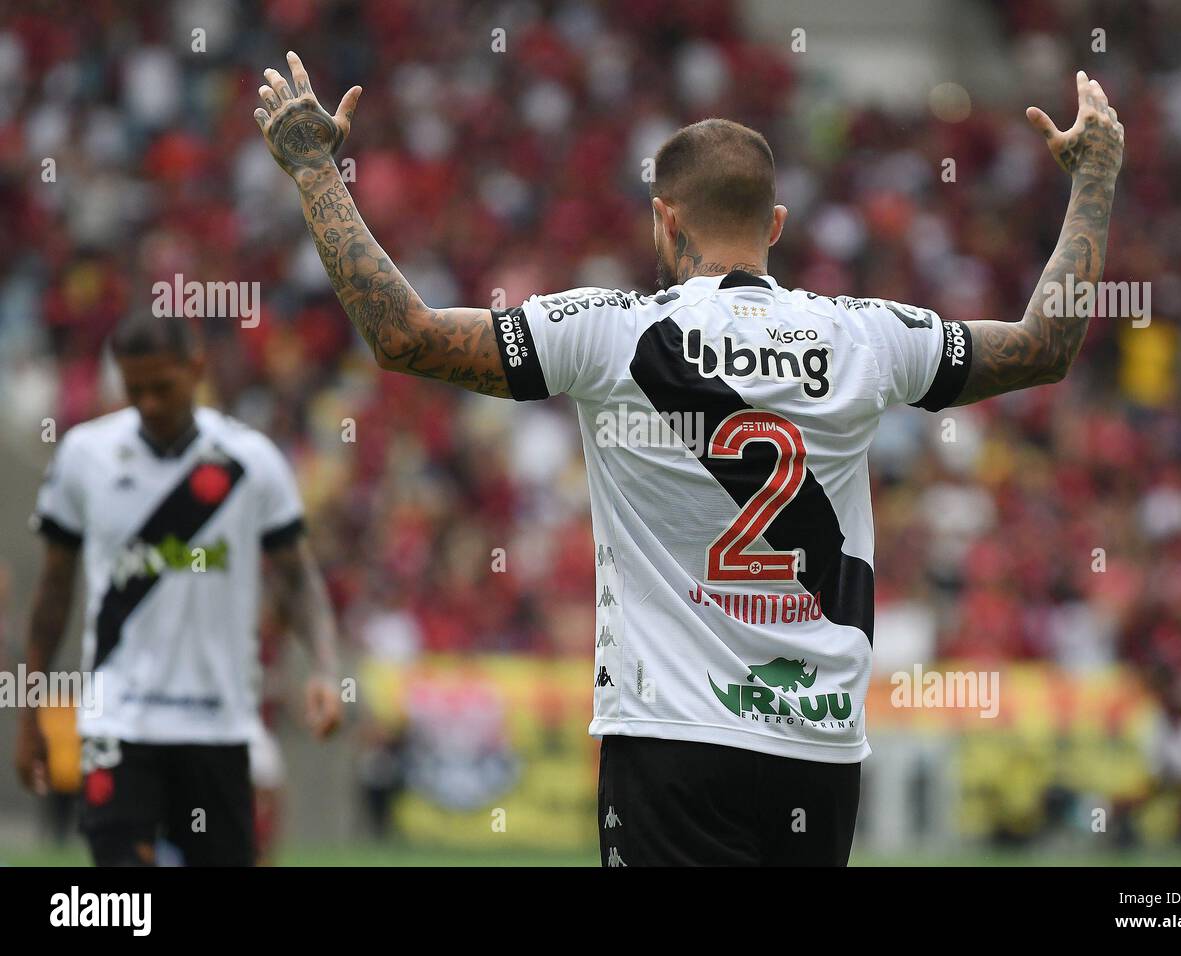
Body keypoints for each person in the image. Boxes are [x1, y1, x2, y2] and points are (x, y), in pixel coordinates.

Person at [251, 53, 1122, 865]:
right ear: (775, 223)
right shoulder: (867, 336)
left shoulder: (611, 331)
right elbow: (1045, 346)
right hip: (815, 751)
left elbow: (403, 335)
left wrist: (313, 168)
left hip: (668, 741)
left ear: (664, 221)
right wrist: (1094, 179)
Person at [14, 313, 342, 866]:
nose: (146, 403)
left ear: (196, 368)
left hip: (217, 724)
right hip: (118, 719)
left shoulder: (250, 462)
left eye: (160, 387)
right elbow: (52, 590)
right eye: (133, 388)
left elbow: (298, 576)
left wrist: (327, 668)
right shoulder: (83, 457)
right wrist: (30, 712)